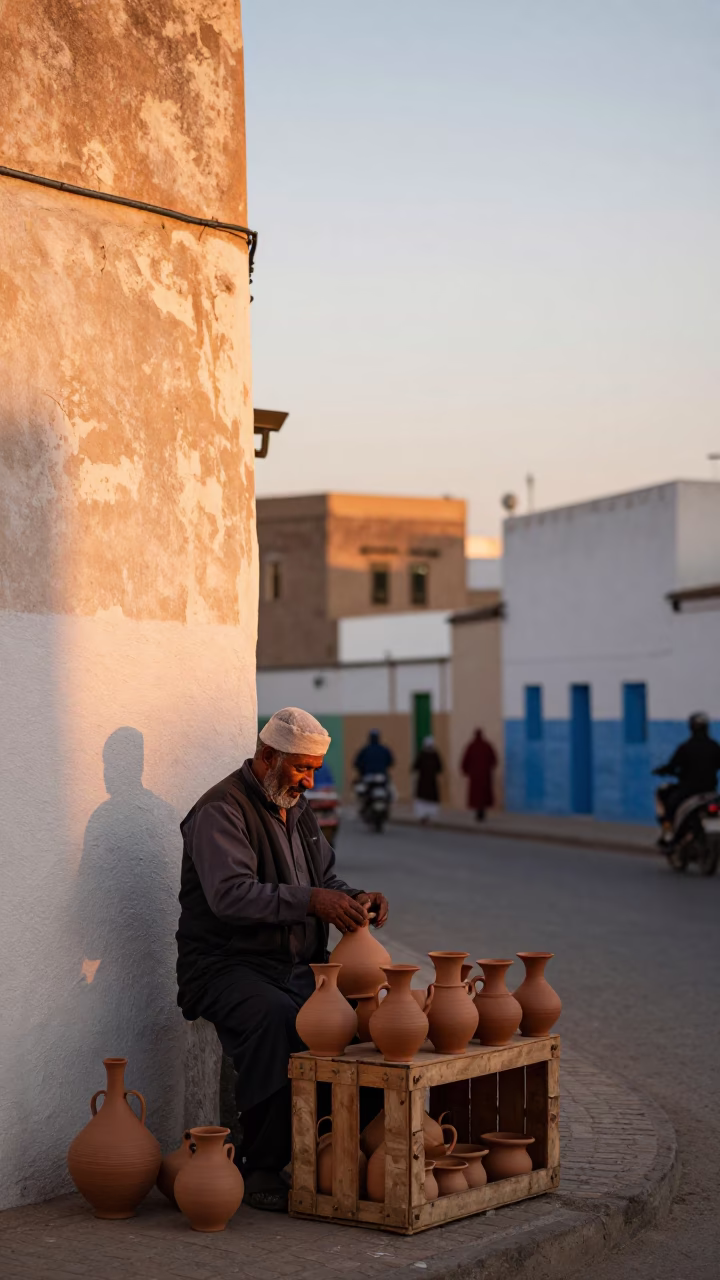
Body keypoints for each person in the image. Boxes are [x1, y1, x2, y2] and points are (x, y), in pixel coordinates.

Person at [176, 707, 389, 1212]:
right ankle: (263, 1166)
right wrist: (313, 901)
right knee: (276, 1020)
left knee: (365, 1023)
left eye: (315, 769)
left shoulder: (298, 807)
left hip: (292, 967)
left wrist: (357, 898)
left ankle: (350, 1150)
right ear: (267, 755)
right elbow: (232, 896)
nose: (309, 781)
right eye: (301, 768)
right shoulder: (220, 810)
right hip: (225, 966)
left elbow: (326, 882)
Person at [653, 712, 720, 843]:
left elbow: (673, 765)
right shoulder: (715, 747)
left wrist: (662, 770)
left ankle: (668, 834)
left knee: (669, 803)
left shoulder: (686, 747)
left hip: (689, 790)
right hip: (710, 790)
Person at [461, 728, 498, 821]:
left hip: (474, 777)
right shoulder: (487, 746)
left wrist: (465, 771)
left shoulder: (471, 746)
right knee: (483, 795)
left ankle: (478, 813)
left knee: (477, 795)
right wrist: (489, 768)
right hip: (485, 776)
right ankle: (482, 812)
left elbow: (465, 760)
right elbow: (494, 760)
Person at [412, 735, 443, 824]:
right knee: (430, 800)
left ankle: (423, 816)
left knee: (422, 799)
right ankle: (428, 815)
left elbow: (415, 767)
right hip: (432, 782)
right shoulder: (435, 755)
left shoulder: (421, 754)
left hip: (422, 782)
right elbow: (440, 768)